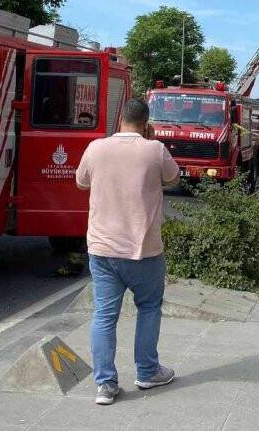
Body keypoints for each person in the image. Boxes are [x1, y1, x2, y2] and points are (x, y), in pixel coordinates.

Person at [76, 98, 181, 406]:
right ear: (147, 123)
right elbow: (173, 178)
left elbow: (82, 182)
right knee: (148, 308)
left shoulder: (96, 148)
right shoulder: (155, 149)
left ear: (119, 120)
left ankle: (105, 385)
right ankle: (148, 371)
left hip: (103, 249)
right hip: (144, 251)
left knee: (104, 315)